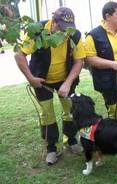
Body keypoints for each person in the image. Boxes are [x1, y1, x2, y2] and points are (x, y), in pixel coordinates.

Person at [14, 7, 85, 165]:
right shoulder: (36, 30)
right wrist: (31, 78)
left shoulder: (75, 34)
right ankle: (52, 148)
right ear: (53, 22)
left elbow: (79, 61)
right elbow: (19, 55)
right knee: (46, 114)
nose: (65, 33)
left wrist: (68, 83)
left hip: (65, 78)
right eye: (61, 28)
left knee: (69, 111)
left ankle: (71, 140)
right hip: (41, 79)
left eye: (68, 28)